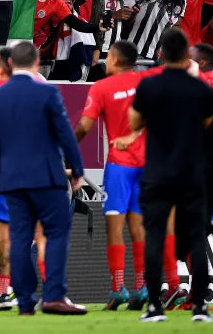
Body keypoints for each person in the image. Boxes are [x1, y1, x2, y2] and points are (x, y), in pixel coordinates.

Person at [0, 40, 86, 316]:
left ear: (10, 64)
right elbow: (65, 134)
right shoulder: (48, 93)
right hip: (47, 176)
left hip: (11, 180)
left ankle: (25, 302)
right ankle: (53, 296)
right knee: (55, 234)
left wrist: (0, 175)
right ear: (37, 64)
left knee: (18, 238)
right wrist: (76, 169)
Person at [129, 27, 213, 323]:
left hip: (157, 172)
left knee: (155, 236)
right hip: (192, 172)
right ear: (188, 52)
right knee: (196, 239)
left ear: (162, 53)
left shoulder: (149, 87)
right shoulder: (201, 89)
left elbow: (134, 122)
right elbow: (207, 121)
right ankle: (201, 308)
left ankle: (155, 307)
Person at [74, 40, 147, 310]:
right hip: (146, 164)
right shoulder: (145, 81)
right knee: (138, 225)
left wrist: (67, 149)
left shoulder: (102, 87)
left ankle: (118, 288)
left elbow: (83, 127)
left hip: (119, 165)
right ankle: (141, 286)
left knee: (114, 226)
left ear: (114, 59)